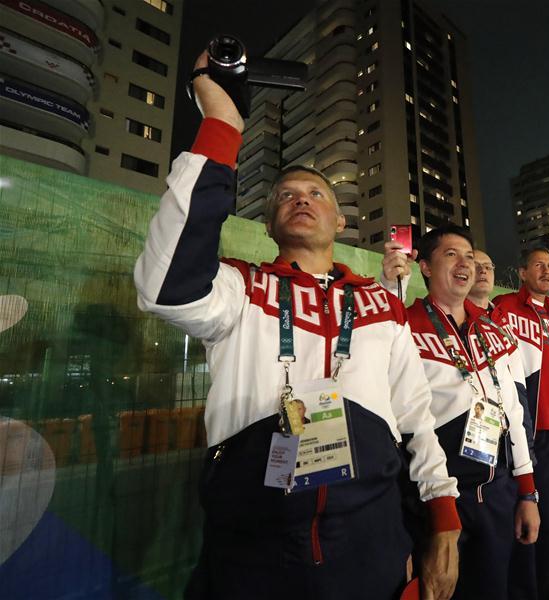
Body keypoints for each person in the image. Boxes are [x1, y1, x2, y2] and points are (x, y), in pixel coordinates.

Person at [135, 51, 461, 600]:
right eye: (286, 195)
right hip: (253, 547)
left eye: (316, 195)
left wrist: (443, 518)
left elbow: (415, 415)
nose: (301, 200)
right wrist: (222, 125)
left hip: (373, 541)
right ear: (269, 223)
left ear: (339, 219)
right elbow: (165, 287)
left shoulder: (380, 304)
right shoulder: (240, 289)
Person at [379, 225, 539, 600]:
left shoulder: (495, 332)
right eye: (450, 254)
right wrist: (388, 288)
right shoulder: (403, 326)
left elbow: (514, 415)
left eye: (469, 255)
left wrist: (527, 493)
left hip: (498, 492)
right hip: (435, 499)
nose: (465, 262)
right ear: (425, 267)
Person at [493, 248, 549, 600]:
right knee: (530, 518)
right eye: (539, 265)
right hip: (530, 433)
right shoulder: (505, 308)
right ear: (523, 272)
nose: (547, 270)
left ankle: (548, 587)